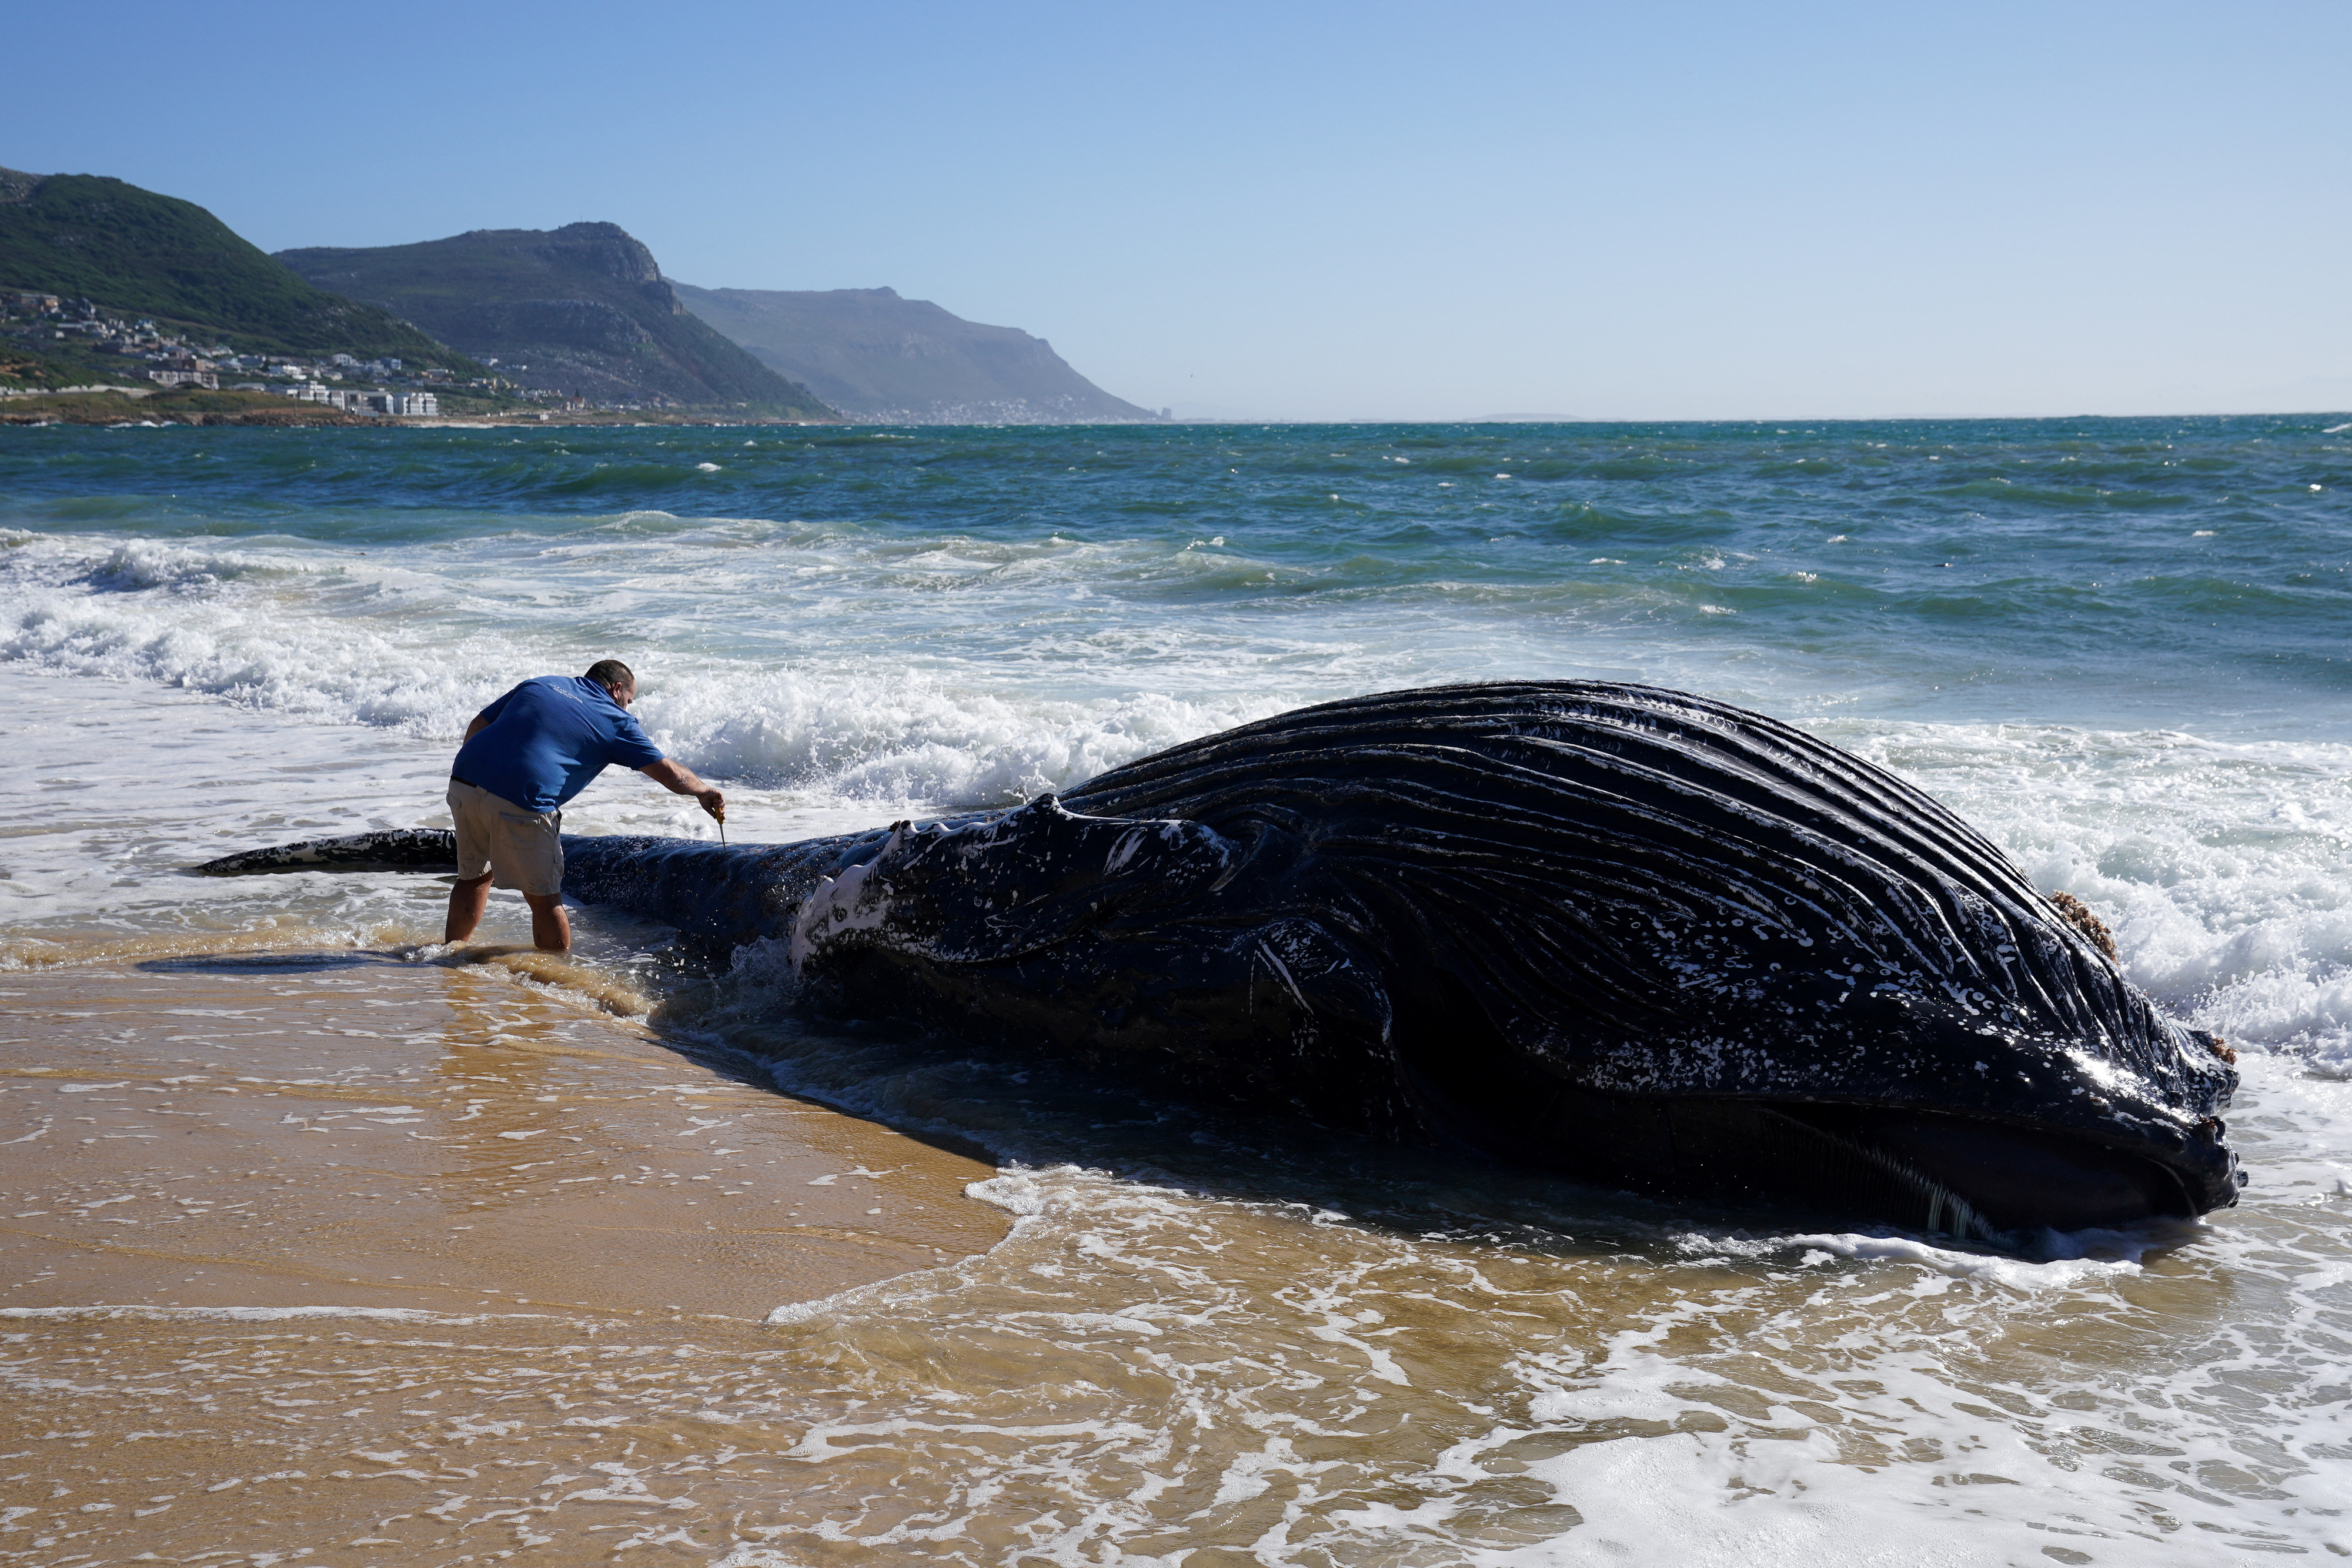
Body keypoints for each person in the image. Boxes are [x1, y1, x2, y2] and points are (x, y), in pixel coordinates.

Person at [443, 658, 723, 952]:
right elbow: (672, 775)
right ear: (616, 689)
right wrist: (704, 791)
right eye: (629, 699)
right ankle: (553, 983)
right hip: (523, 798)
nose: (627, 707)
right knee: (544, 899)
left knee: (473, 878)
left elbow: (479, 724)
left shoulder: (542, 683)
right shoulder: (616, 719)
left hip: (464, 780)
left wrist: (482, 775)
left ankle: (449, 957)